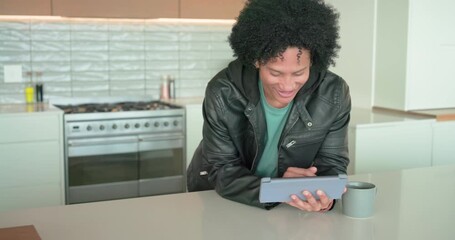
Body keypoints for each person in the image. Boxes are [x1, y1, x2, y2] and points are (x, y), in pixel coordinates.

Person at [187, 0, 351, 212]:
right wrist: (280, 189)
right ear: (257, 61)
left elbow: (332, 163)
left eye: (299, 73)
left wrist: (324, 197)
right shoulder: (223, 91)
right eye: (275, 73)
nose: (287, 85)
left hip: (287, 206)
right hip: (220, 199)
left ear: (313, 62)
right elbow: (222, 169)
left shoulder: (334, 93)